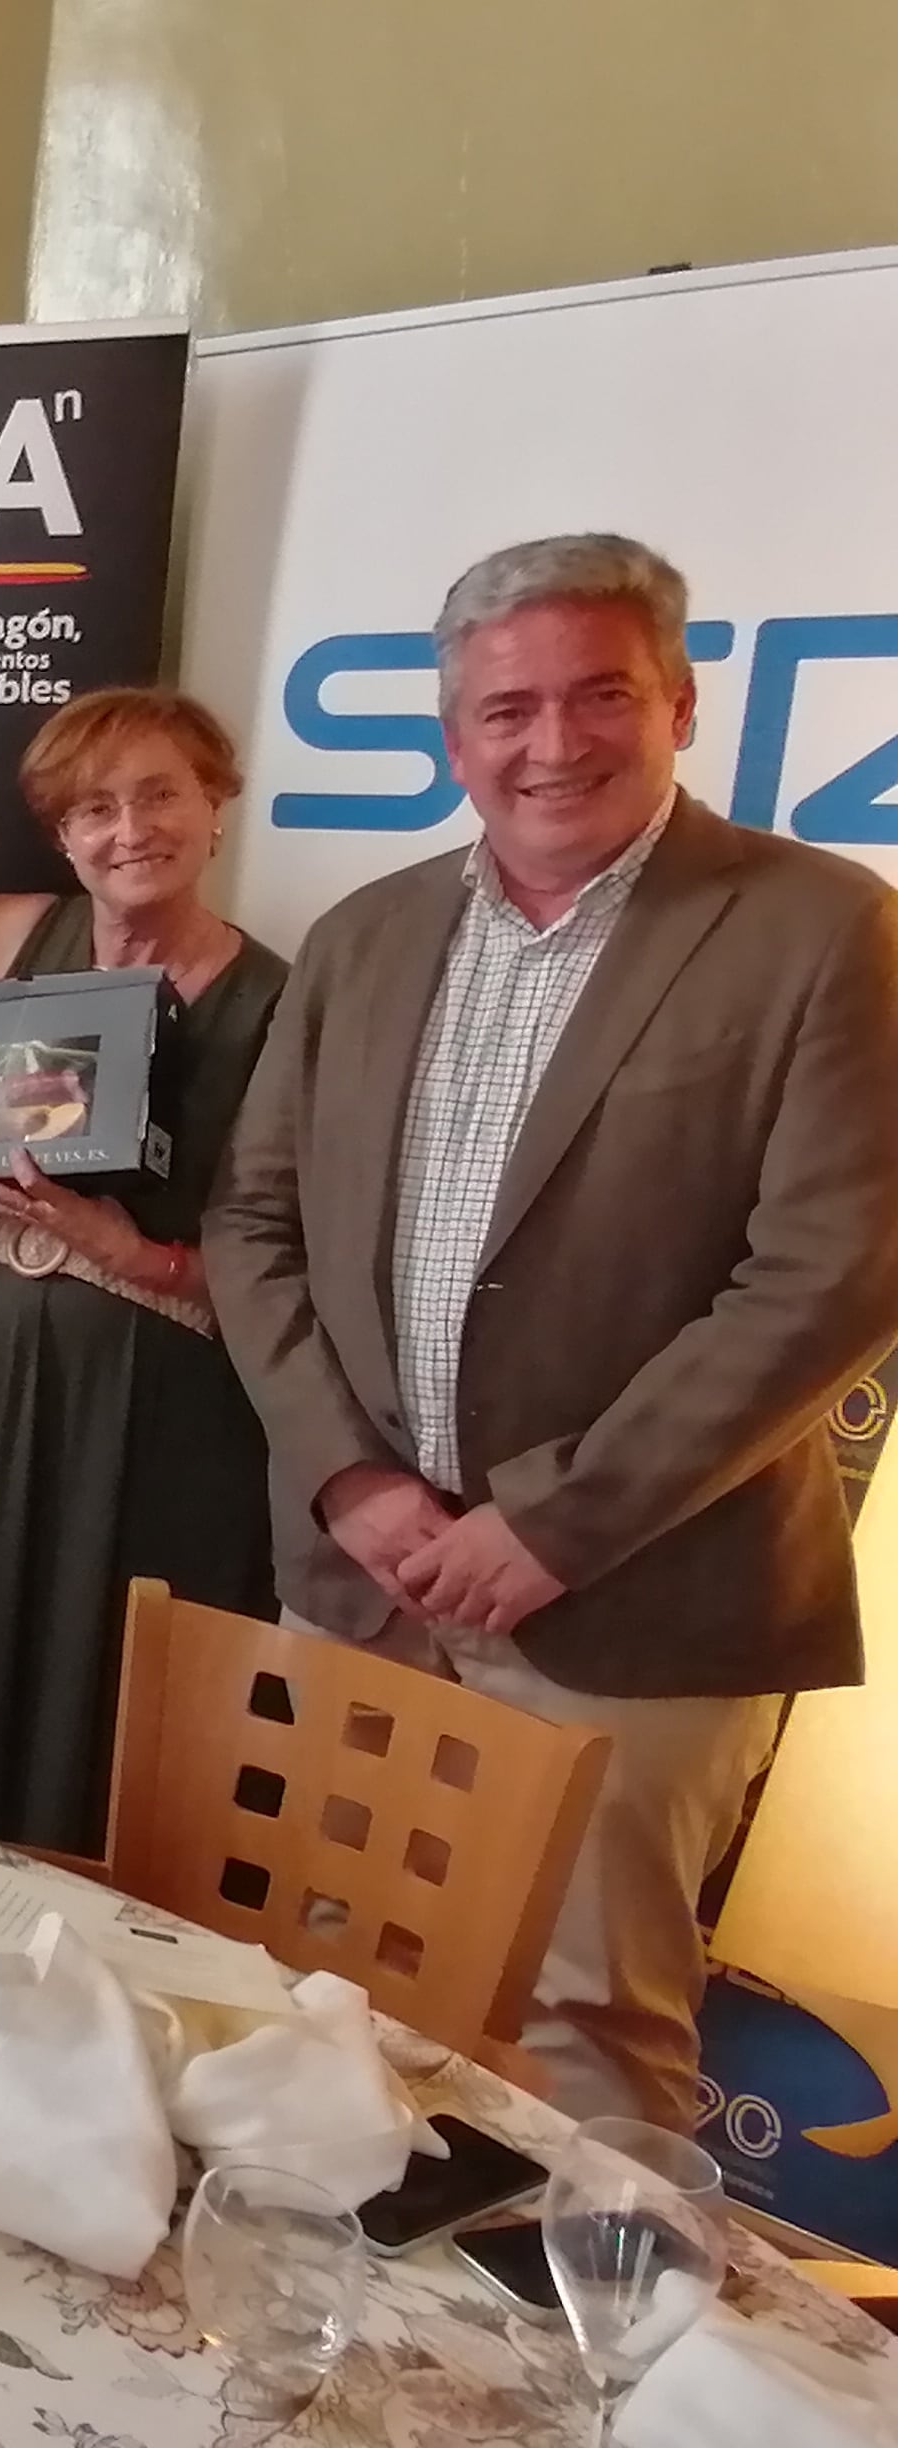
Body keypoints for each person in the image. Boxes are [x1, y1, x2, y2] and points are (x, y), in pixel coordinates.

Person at [205, 533, 898, 2124]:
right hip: (368, 1581)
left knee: (583, 2054)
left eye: (602, 696)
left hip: (627, 1606)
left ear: (680, 706)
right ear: (454, 739)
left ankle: (590, 2367)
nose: (556, 743)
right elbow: (254, 1225)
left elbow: (834, 1272)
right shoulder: (369, 938)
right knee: (332, 2005)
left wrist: (556, 1523)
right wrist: (349, 1482)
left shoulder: (816, 927)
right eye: (509, 710)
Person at [0, 688, 289, 1849]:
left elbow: (295, 1259)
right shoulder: (10, 932)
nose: (129, 829)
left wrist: (131, 1250)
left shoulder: (286, 1000)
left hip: (151, 1402)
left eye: (158, 795)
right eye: (95, 808)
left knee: (107, 1692)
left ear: (216, 807)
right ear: (62, 832)